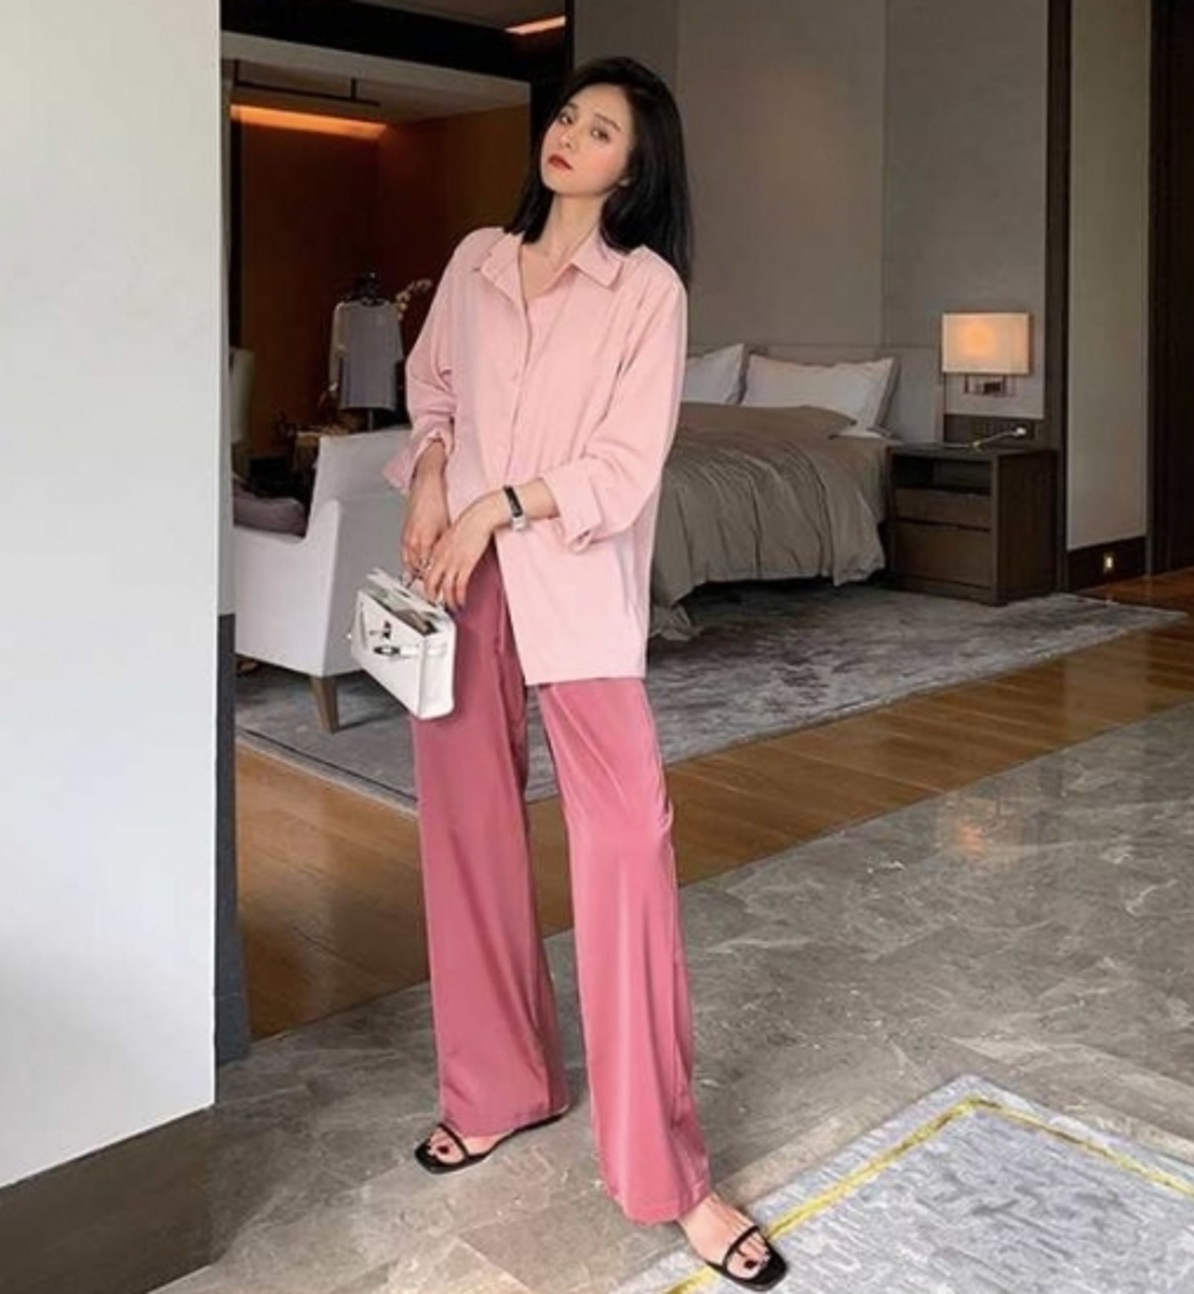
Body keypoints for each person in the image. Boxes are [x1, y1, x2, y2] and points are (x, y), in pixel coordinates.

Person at [383, 56, 788, 1291]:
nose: (569, 135)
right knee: (464, 833)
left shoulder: (645, 291)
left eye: (601, 129)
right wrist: (434, 477)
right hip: (458, 581)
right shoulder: (474, 259)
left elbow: (623, 463)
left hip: (568, 582)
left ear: (635, 165)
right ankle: (496, 1086)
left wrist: (495, 503)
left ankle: (668, 1173)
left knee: (626, 851)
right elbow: (432, 391)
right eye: (567, 116)